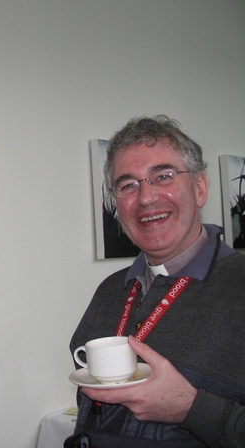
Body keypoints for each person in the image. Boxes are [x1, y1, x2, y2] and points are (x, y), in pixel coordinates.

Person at [68, 115, 245, 447]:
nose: (146, 197)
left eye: (163, 176)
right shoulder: (109, 291)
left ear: (200, 187)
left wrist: (189, 407)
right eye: (128, 185)